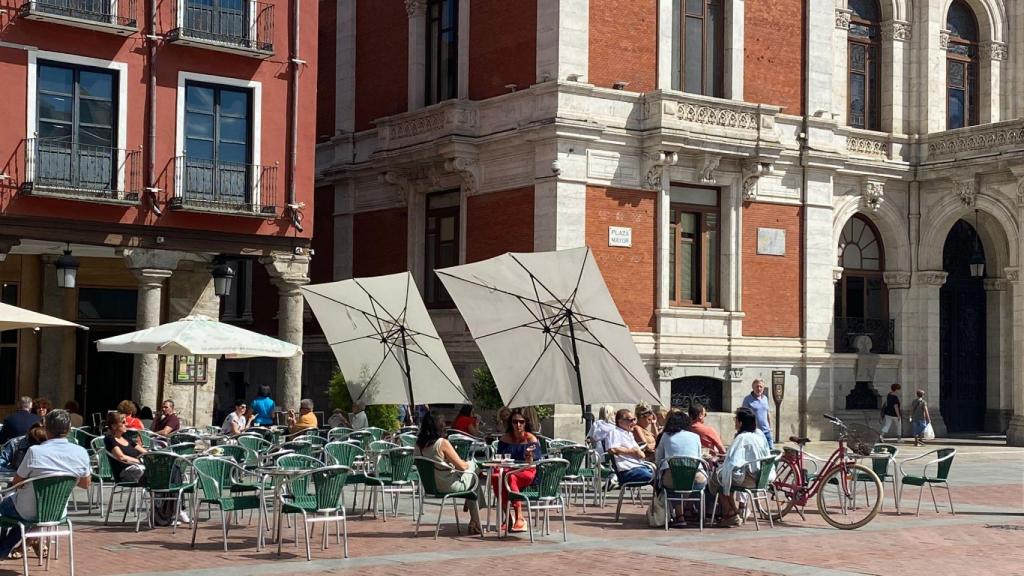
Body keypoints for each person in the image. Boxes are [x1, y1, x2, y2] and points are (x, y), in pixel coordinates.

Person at [0, 410, 90, 561]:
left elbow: (16, 482)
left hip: (26, 511)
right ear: (69, 429)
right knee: (24, 515)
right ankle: (5, 549)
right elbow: (85, 484)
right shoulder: (81, 452)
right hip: (57, 512)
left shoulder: (35, 452)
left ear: (46, 428)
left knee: (11, 509)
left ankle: (3, 549)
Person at [414, 411, 483, 534]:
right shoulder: (442, 443)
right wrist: (467, 463)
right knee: (474, 467)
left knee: (473, 481)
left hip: (431, 487)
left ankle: (473, 515)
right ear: (440, 425)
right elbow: (462, 467)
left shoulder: (417, 445)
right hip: (449, 486)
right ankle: (475, 519)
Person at [710, 407, 771, 527]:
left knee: (717, 478)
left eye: (736, 419)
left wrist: (721, 462)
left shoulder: (741, 438)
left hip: (749, 479)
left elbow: (732, 462)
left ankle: (731, 513)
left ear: (741, 422)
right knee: (726, 477)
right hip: (760, 478)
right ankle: (732, 512)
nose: (735, 422)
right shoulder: (759, 436)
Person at [492, 408, 541, 533]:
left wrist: (529, 456)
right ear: (511, 423)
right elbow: (500, 458)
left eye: (521, 422)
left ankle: (520, 517)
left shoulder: (531, 439)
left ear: (526, 423)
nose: (518, 425)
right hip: (509, 470)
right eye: (515, 422)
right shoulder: (505, 439)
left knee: (510, 477)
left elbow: (535, 461)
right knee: (496, 477)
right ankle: (508, 517)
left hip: (527, 472)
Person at [655, 412, 704, 527]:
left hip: (672, 477)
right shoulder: (695, 437)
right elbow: (699, 457)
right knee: (692, 484)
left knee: (674, 485)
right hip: (696, 478)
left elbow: (658, 458)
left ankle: (679, 515)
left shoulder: (665, 436)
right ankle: (689, 510)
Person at [605, 409, 653, 486]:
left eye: (634, 419)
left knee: (661, 475)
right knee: (657, 477)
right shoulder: (615, 432)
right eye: (631, 420)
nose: (634, 423)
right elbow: (612, 449)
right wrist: (632, 451)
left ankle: (662, 493)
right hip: (628, 471)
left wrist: (640, 453)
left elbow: (638, 452)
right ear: (620, 422)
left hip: (639, 467)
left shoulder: (629, 433)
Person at [104, 411, 147, 483]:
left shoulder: (125, 437)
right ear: (114, 426)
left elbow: (142, 450)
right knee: (150, 471)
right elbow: (121, 457)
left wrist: (153, 455)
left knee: (158, 468)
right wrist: (140, 461)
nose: (126, 424)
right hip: (124, 472)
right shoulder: (110, 439)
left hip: (137, 467)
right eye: (123, 422)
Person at [741, 379, 773, 449]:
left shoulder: (765, 398)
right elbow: (743, 415)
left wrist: (770, 427)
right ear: (753, 387)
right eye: (757, 386)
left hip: (766, 431)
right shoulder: (747, 399)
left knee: (771, 450)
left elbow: (767, 413)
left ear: (763, 388)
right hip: (755, 432)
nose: (759, 388)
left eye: (761, 387)